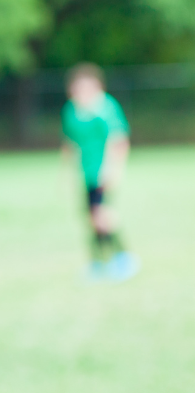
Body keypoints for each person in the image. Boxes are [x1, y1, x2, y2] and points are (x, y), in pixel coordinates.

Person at [61, 63, 139, 281]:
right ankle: (100, 262)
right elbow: (70, 144)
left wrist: (114, 169)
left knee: (101, 215)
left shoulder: (106, 108)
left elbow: (119, 140)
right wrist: (66, 173)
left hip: (102, 173)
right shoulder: (71, 111)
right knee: (91, 217)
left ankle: (121, 259)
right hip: (85, 174)